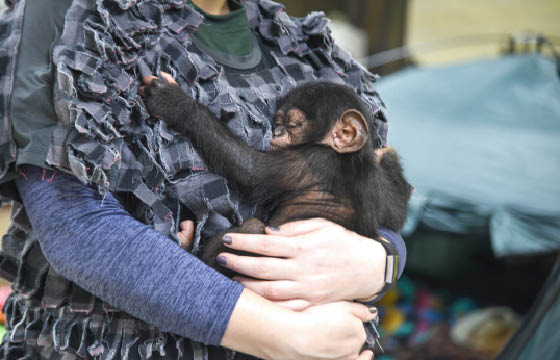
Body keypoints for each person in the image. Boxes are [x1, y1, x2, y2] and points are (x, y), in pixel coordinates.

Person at [0, 0, 406, 359]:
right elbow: (79, 228)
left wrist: (381, 260)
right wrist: (288, 335)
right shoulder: (71, 14)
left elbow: (376, 203)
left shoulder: (307, 45)